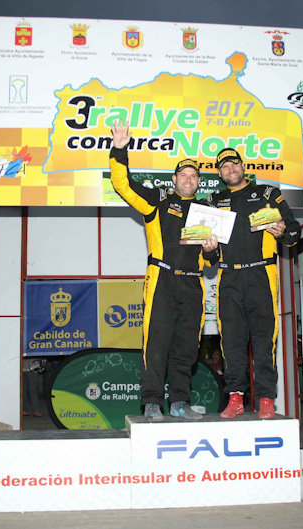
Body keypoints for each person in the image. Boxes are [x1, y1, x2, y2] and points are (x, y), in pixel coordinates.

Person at [110, 121, 219, 422]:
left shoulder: (207, 213)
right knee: (156, 344)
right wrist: (119, 149)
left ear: (199, 182)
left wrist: (211, 250)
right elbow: (123, 185)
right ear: (174, 179)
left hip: (193, 285)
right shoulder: (157, 201)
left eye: (193, 176)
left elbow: (211, 261)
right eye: (183, 175)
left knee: (187, 347)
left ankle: (180, 402)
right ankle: (152, 403)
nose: (188, 180)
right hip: (162, 279)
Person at [206, 147, 300, 419]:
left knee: (264, 341)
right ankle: (235, 398)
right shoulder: (213, 201)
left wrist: (283, 232)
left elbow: (294, 231)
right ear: (220, 173)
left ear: (243, 166)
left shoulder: (268, 194)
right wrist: (208, 249)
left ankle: (266, 400)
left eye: (234, 164)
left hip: (262, 274)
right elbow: (208, 254)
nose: (231, 169)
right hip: (228, 277)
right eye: (224, 166)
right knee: (231, 342)